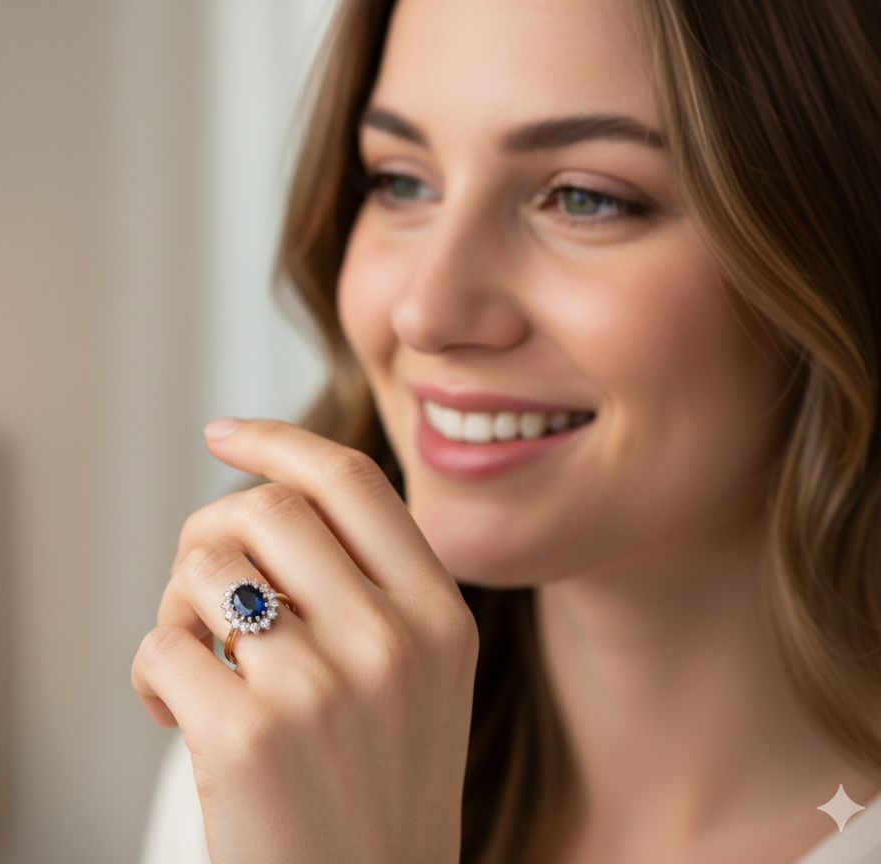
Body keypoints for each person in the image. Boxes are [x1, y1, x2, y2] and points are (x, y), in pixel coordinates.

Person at [132, 0, 881, 860]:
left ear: (837, 244)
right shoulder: (274, 757)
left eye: (585, 198)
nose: (426, 310)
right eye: (401, 181)